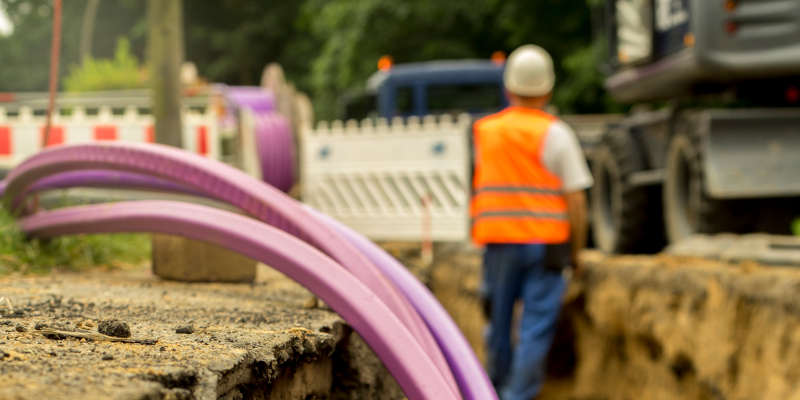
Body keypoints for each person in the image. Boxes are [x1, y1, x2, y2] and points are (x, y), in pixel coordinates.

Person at [471, 45, 593, 400]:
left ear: (508, 89)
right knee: (535, 328)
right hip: (548, 246)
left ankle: (489, 390)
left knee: (498, 324)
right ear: (548, 90)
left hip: (498, 243)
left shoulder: (486, 132)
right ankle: (516, 396)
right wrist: (578, 251)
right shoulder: (556, 134)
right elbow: (577, 199)